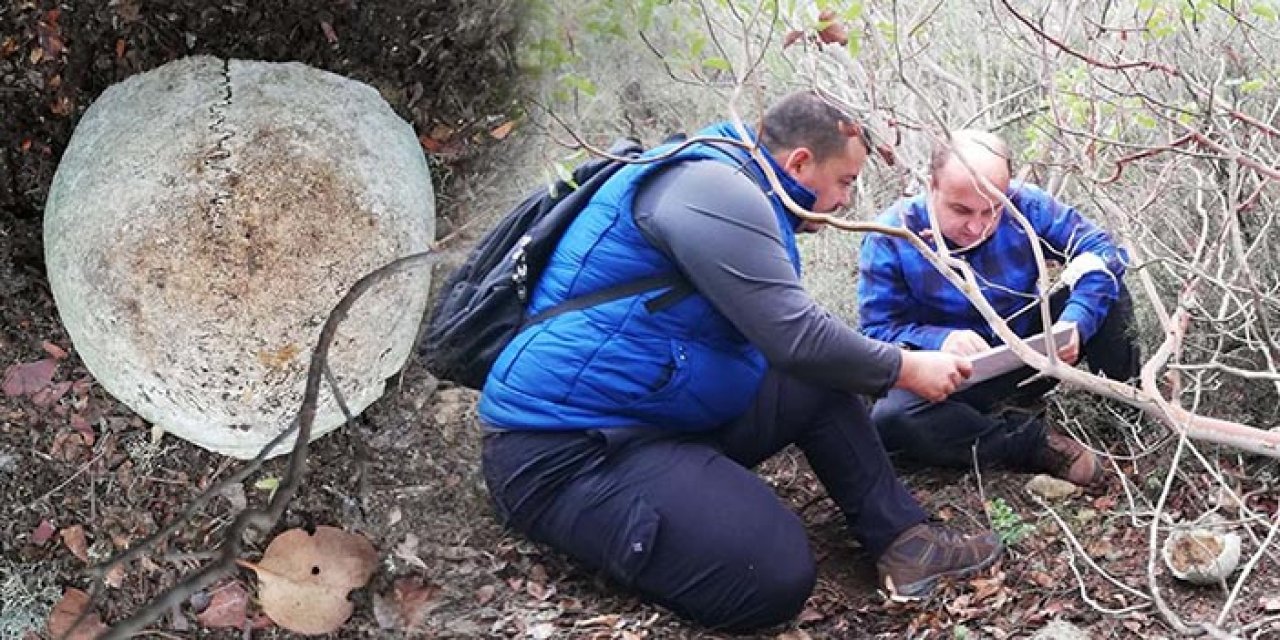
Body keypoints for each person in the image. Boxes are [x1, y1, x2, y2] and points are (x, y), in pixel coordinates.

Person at [475, 92, 1002, 633]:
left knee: (813, 381)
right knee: (771, 578)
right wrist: (906, 368)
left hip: (655, 416)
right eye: (844, 180)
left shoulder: (733, 182)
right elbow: (794, 336)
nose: (846, 199)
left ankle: (904, 543)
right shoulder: (711, 190)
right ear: (798, 162)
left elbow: (797, 345)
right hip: (565, 451)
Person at [858, 129, 1141, 490]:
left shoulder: (1025, 205)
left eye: (992, 210)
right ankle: (1033, 444)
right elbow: (877, 332)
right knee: (893, 418)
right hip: (951, 377)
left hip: (1033, 352)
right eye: (960, 210)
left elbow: (1102, 251)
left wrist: (1076, 321)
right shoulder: (890, 236)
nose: (977, 226)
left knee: (1108, 290)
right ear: (932, 186)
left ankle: (1126, 412)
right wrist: (939, 340)